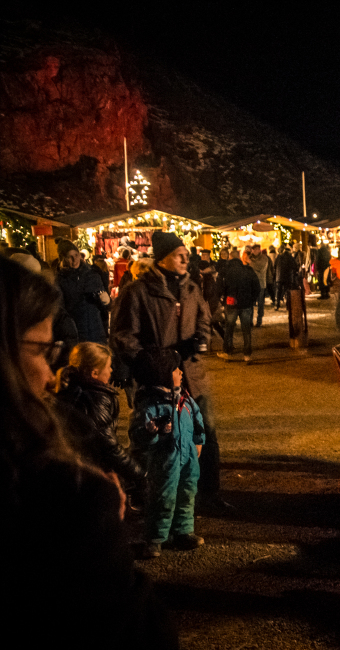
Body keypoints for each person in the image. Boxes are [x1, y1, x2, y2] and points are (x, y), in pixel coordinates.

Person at [0, 256, 178, 648]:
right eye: (41, 352)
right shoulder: (57, 494)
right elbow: (135, 631)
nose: (49, 377)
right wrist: (105, 522)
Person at [110, 231, 227, 514]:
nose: (187, 259)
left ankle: (208, 494)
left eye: (186, 254)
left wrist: (200, 340)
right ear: (163, 258)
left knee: (205, 434)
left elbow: (204, 319)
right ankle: (148, 496)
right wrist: (153, 361)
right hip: (157, 380)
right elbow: (123, 335)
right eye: (179, 254)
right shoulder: (137, 292)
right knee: (153, 436)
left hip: (193, 376)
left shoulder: (191, 288)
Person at [129, 354, 205, 559]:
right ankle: (155, 538)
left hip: (188, 456)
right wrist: (151, 433)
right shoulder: (150, 406)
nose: (180, 372)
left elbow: (198, 419)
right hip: (165, 460)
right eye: (175, 370)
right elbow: (138, 437)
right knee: (163, 496)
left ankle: (183, 531)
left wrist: (199, 440)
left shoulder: (185, 399)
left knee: (187, 492)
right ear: (162, 376)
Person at [53, 341, 145, 500]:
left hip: (74, 470)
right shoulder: (96, 399)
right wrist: (139, 474)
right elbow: (109, 447)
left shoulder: (68, 389)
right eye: (108, 367)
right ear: (94, 373)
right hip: (91, 472)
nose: (111, 370)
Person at [55, 239, 109, 344]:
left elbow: (103, 308)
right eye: (69, 257)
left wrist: (107, 301)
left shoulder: (92, 275)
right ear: (63, 259)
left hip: (96, 331)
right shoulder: (59, 280)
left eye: (76, 255)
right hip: (75, 334)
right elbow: (59, 309)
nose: (74, 259)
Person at [218, 249, 261, 362]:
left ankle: (227, 352)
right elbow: (257, 287)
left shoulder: (226, 270)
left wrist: (223, 299)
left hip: (231, 303)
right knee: (246, 330)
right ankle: (247, 355)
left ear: (230, 258)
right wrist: (252, 299)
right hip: (246, 303)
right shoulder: (248, 270)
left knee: (229, 329)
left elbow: (220, 287)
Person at [248, 243, 270, 327]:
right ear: (252, 250)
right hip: (250, 283)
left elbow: (260, 267)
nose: (256, 251)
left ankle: (259, 320)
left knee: (260, 303)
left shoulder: (264, 258)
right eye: (254, 249)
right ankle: (250, 320)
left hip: (261, 283)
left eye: (257, 249)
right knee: (250, 303)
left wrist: (250, 263)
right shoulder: (249, 258)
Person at [274, 243, 298, 310]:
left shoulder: (278, 257)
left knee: (279, 291)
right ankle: (288, 305)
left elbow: (275, 266)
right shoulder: (290, 257)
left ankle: (278, 305)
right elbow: (295, 266)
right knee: (287, 291)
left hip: (279, 277)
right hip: (287, 277)